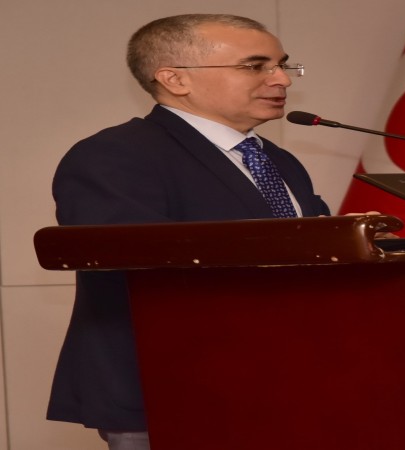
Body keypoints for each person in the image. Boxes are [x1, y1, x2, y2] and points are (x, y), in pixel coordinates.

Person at [48, 14, 332, 450]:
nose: (282, 80)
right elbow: (134, 262)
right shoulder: (114, 155)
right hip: (174, 387)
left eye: (281, 65)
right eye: (255, 66)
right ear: (175, 79)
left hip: (287, 380)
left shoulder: (276, 159)